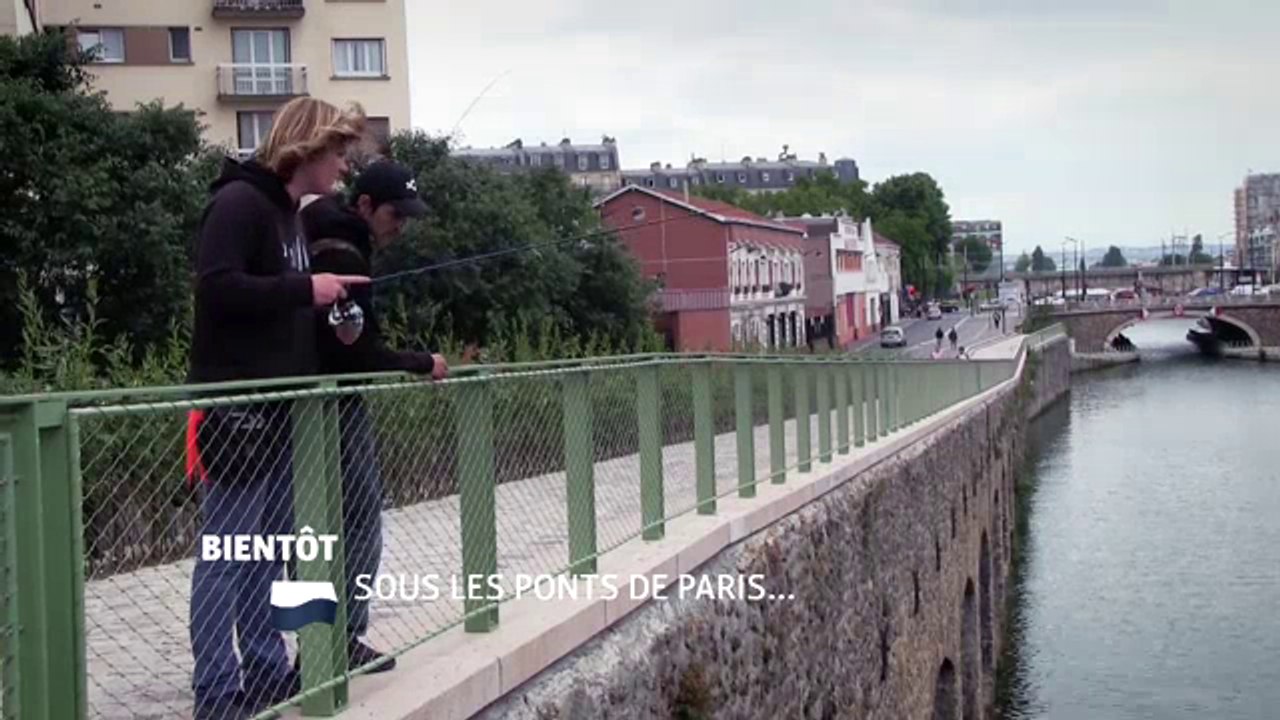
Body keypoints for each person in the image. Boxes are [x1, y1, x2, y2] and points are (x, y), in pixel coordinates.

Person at [187, 97, 368, 720]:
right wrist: (303, 289)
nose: (345, 167)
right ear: (309, 148)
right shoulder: (239, 203)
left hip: (281, 411)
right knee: (226, 551)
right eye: (339, 153)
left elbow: (278, 302)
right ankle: (216, 695)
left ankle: (266, 673)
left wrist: (332, 313)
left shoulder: (292, 215)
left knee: (270, 548)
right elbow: (215, 287)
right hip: (234, 408)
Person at [300, 160, 448, 673]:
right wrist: (422, 363)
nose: (400, 225)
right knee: (360, 522)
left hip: (306, 402)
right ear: (364, 206)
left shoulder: (318, 231)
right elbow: (356, 351)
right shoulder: (343, 249)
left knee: (310, 533)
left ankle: (315, 646)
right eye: (394, 213)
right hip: (333, 404)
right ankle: (338, 644)